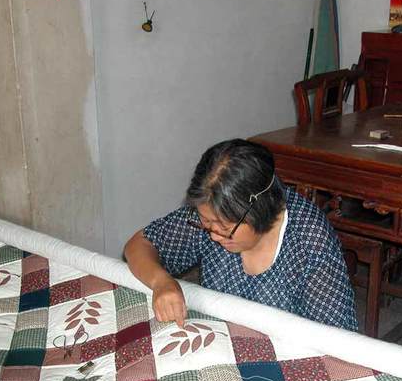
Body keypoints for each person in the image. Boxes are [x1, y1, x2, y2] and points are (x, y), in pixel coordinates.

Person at [124, 138, 357, 330]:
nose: (213, 235)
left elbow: (336, 340)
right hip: (223, 341)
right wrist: (162, 282)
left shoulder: (310, 242)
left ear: (261, 210)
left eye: (224, 228)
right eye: (207, 224)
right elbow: (140, 244)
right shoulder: (215, 213)